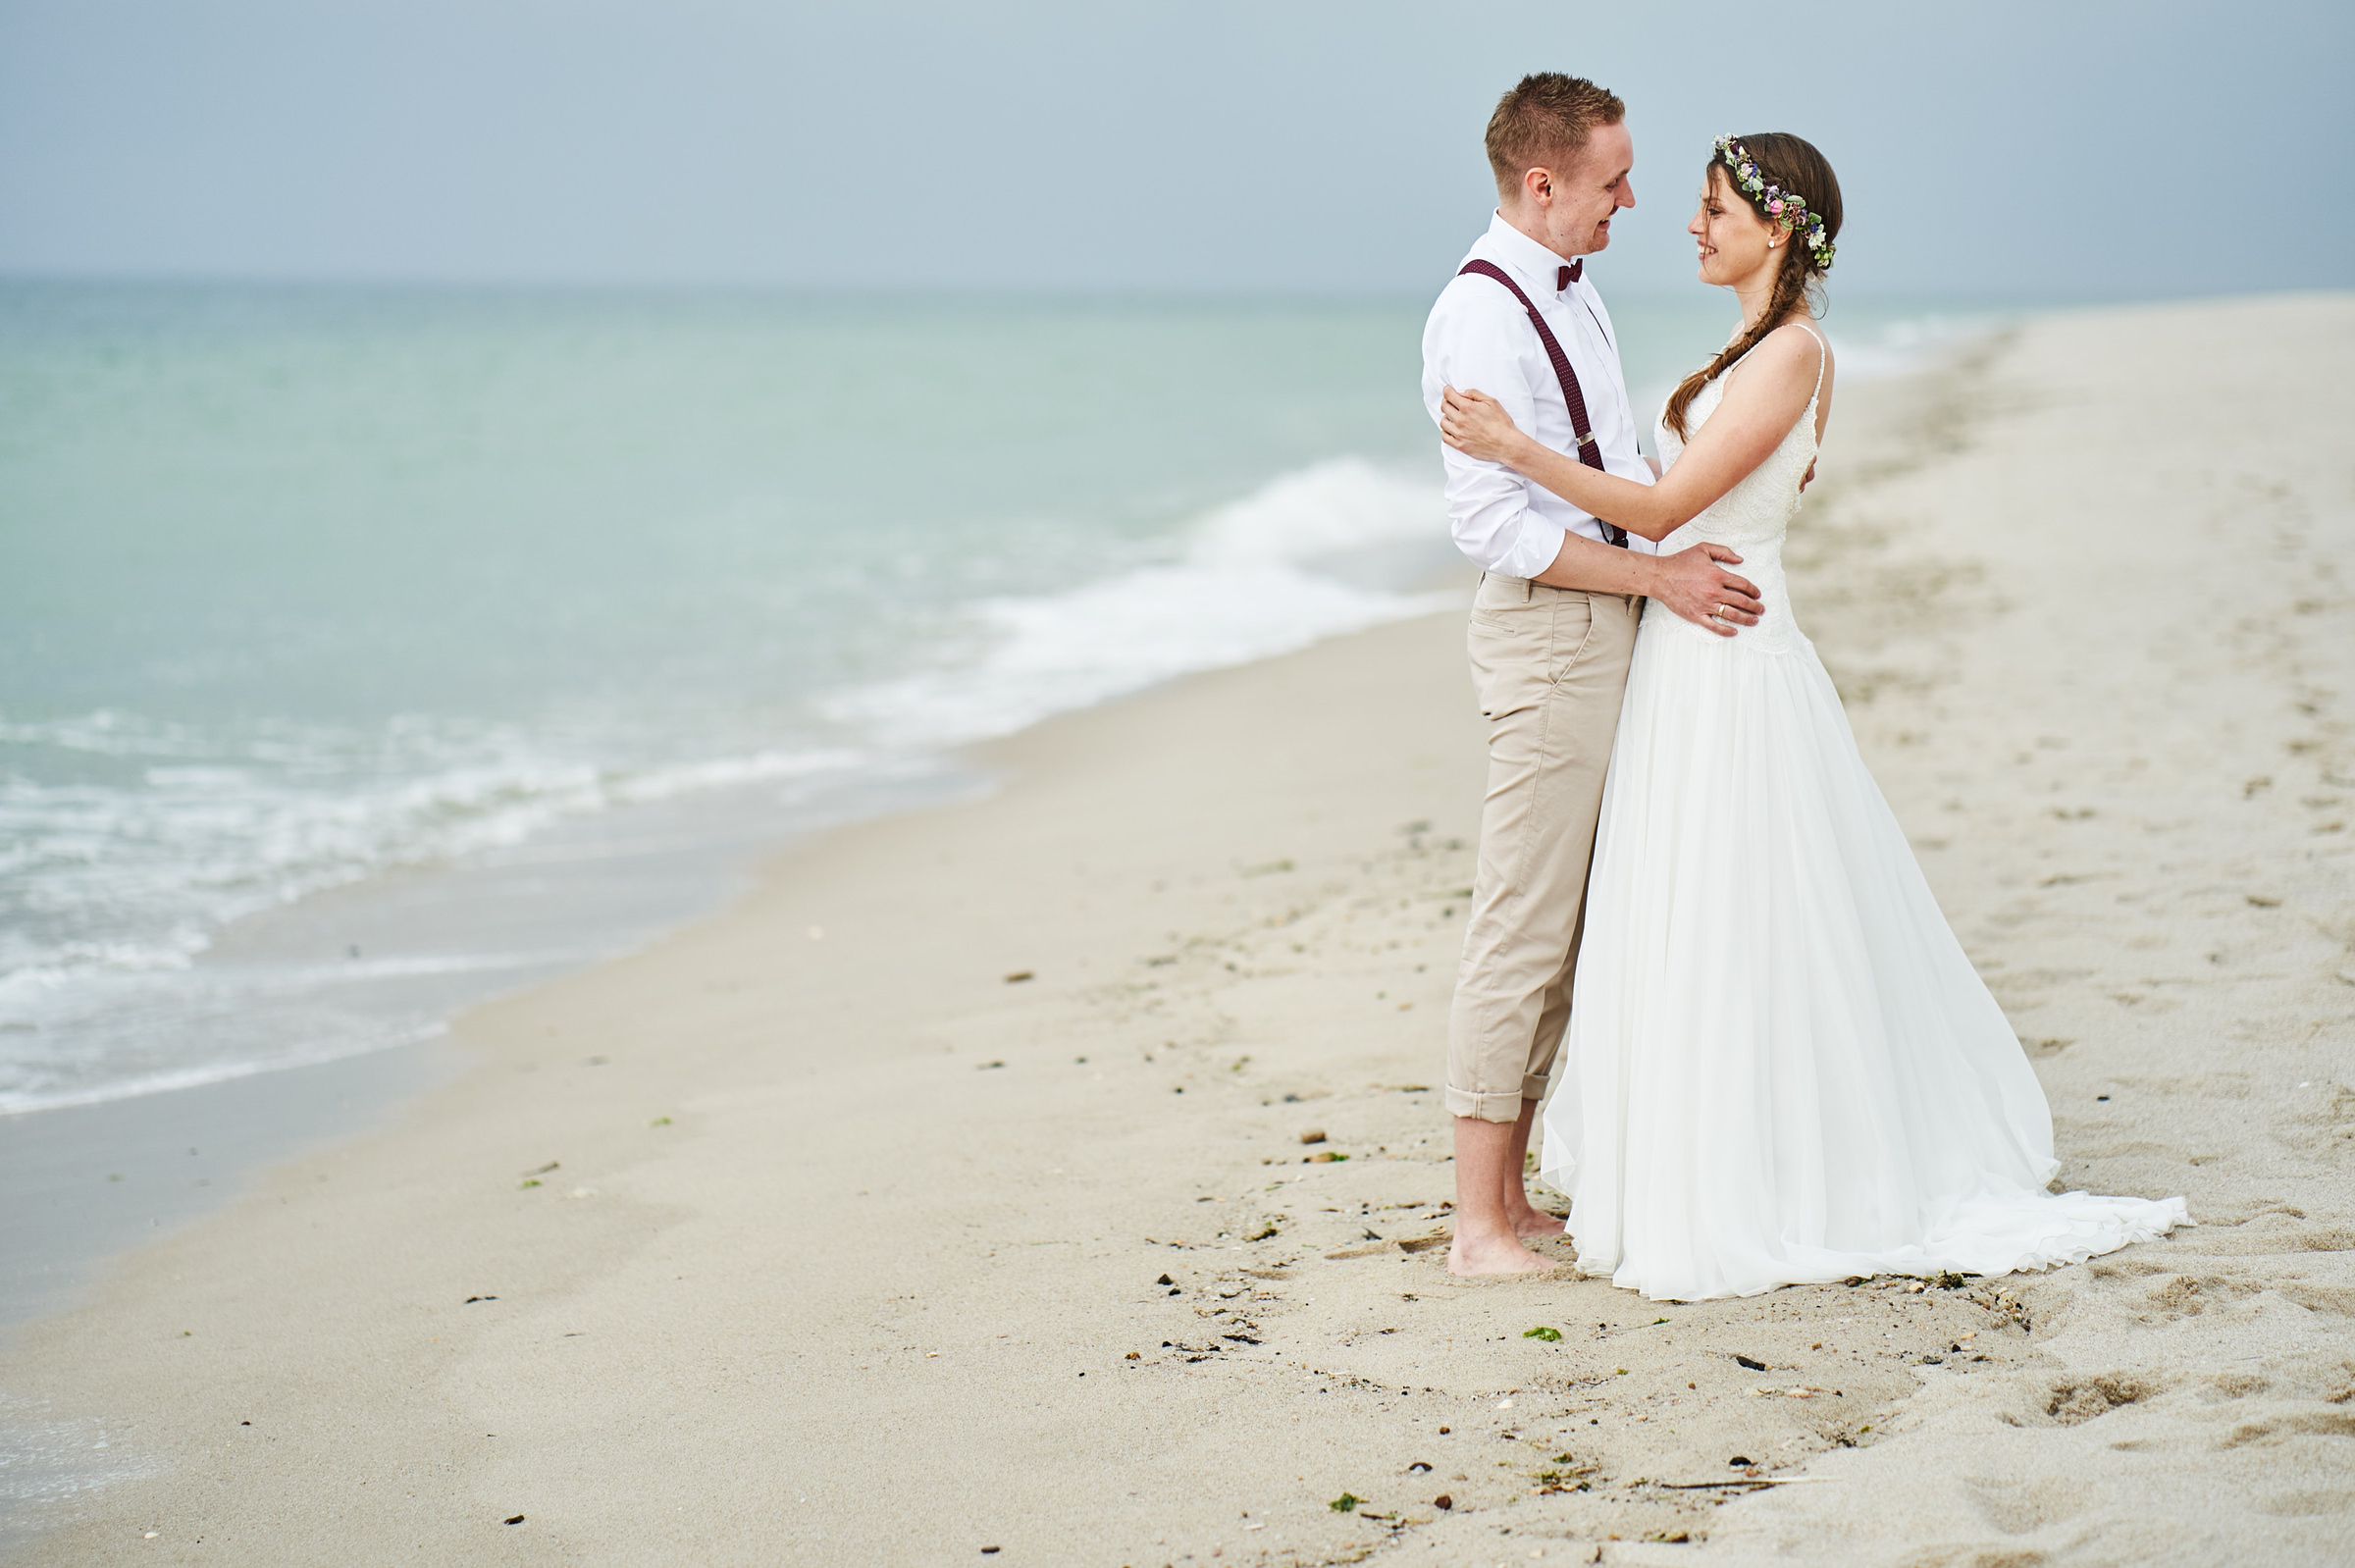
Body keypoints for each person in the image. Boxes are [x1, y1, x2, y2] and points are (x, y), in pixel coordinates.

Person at [1439, 131, 2187, 1300]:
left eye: (1711, 208)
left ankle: (1761, 1165)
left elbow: (1670, 500)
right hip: (1686, 647)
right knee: (1689, 904)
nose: (1687, 223)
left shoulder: (1789, 351)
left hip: (1730, 653)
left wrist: (1514, 447)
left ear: (1777, 228)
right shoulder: (1747, 346)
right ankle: (1683, 1151)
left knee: (1750, 904)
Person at [1420, 74, 1771, 1278]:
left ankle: (1511, 1200)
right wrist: (1656, 579)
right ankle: (1476, 1224)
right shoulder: (1482, 315)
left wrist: (1666, 552)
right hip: (1547, 634)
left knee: (1568, 927)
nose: (1630, 202)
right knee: (1521, 918)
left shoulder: (1572, 291)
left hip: (1600, 622)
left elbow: (1604, 464)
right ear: (1542, 182)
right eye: (1612, 182)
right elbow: (1496, 528)